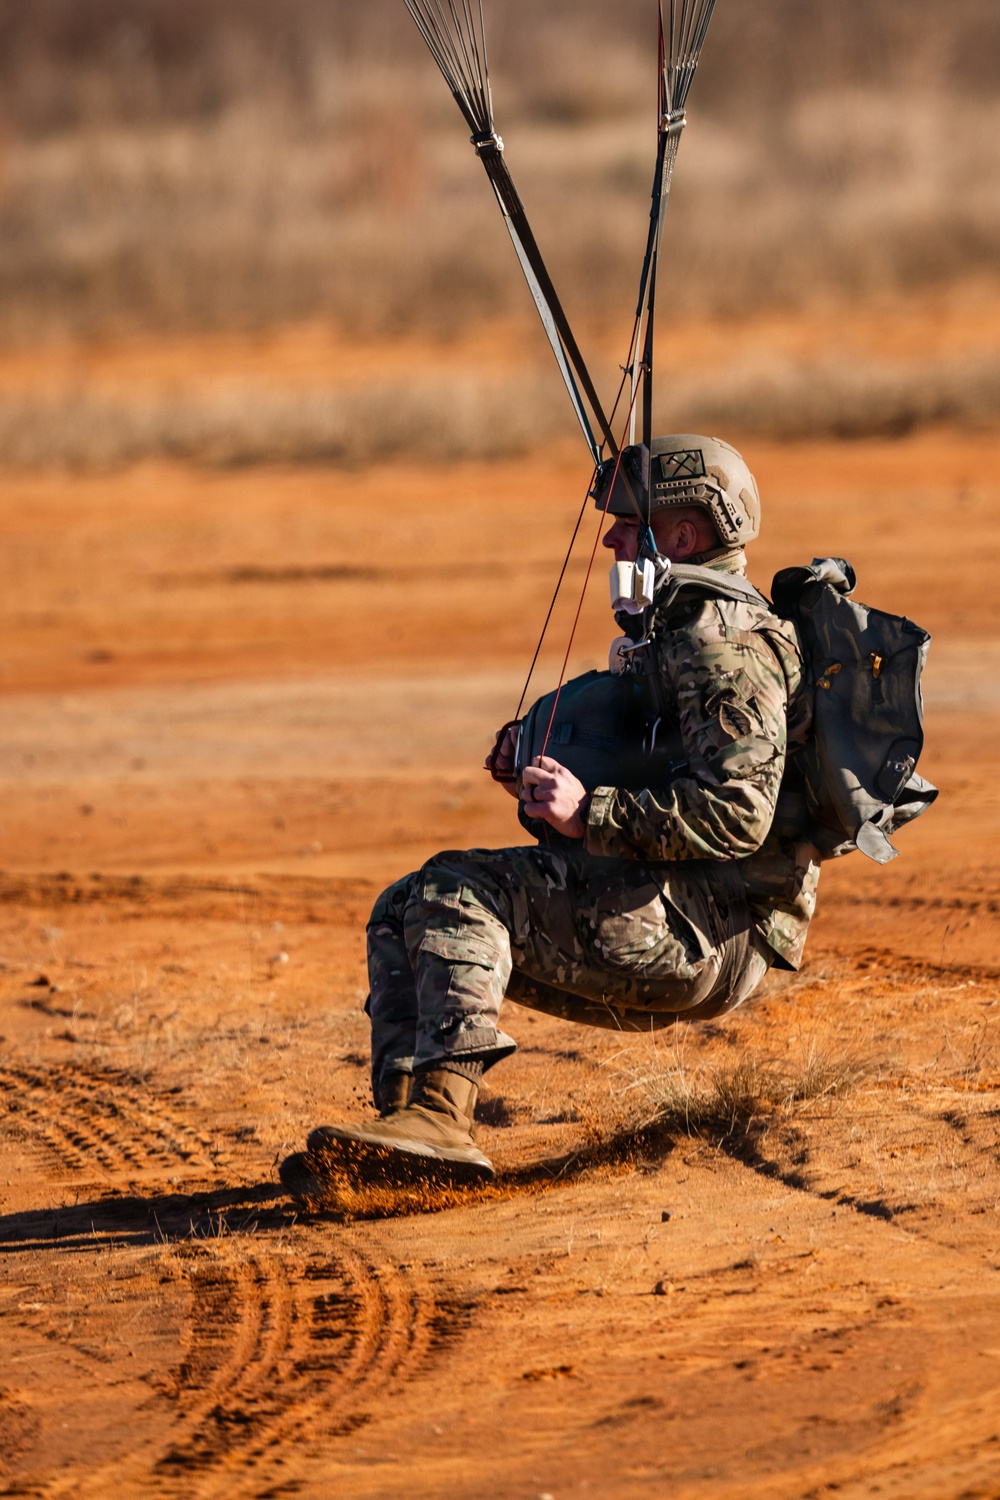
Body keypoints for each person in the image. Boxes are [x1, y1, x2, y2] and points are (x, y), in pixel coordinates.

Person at [280, 434, 819, 1195]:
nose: (610, 538)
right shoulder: (673, 630)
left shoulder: (721, 646)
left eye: (629, 525)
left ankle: (440, 1118)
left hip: (709, 929)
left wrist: (587, 812)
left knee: (455, 892)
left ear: (684, 536)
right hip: (670, 902)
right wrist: (544, 772)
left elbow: (738, 816)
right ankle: (398, 1142)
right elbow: (654, 757)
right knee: (402, 905)